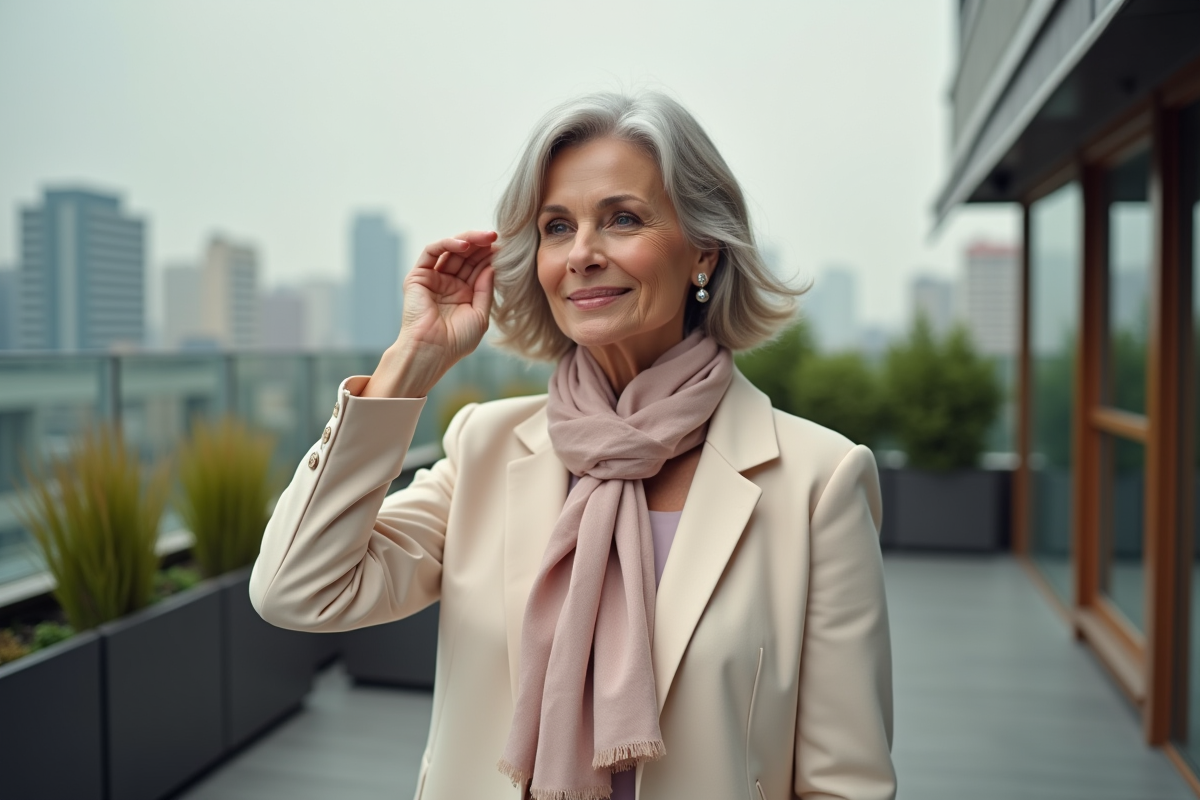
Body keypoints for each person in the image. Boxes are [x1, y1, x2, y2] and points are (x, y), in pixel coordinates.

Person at [250, 91, 895, 800]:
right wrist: (412, 365)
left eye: (622, 219)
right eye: (559, 227)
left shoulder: (817, 482)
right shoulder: (485, 448)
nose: (583, 254)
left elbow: (846, 783)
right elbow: (297, 591)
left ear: (703, 252)